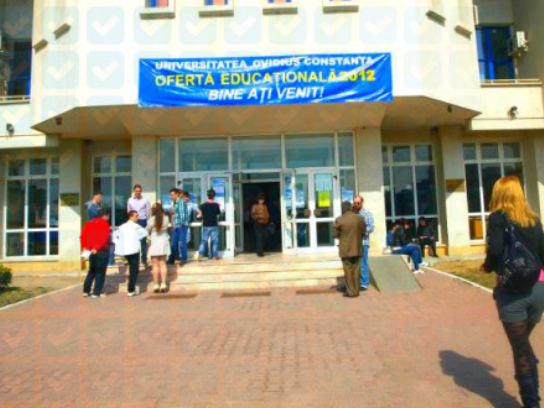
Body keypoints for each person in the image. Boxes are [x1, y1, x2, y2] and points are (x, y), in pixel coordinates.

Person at [480, 176, 544, 408]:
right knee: (523, 345)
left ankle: (532, 403)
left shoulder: (498, 218)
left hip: (512, 291)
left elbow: (495, 251)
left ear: (499, 194)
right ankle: (529, 386)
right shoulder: (533, 219)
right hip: (539, 288)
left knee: (521, 350)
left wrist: (487, 266)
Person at [333, 201, 366, 298]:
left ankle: (350, 292)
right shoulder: (360, 218)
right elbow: (364, 231)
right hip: (357, 248)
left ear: (343, 209)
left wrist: (342, 236)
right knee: (356, 270)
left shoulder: (339, 220)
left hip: (345, 249)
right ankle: (356, 291)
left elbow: (334, 234)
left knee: (348, 270)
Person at [113, 211, 148, 297]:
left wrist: (119, 244)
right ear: (131, 216)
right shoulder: (135, 226)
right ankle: (131, 289)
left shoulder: (122, 227)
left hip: (126, 250)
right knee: (134, 269)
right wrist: (137, 238)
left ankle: (131, 287)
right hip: (133, 250)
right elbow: (145, 233)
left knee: (134, 269)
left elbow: (114, 236)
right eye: (136, 216)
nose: (138, 217)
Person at [80, 209, 111, 298]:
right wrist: (96, 247)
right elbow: (104, 237)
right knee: (100, 271)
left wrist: (85, 246)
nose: (108, 218)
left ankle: (86, 291)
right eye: (108, 216)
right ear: (105, 215)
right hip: (101, 250)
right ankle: (96, 292)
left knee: (92, 270)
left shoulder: (89, 223)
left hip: (90, 250)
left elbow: (83, 236)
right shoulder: (104, 224)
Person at [147, 203, 171, 293]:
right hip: (164, 241)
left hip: (155, 242)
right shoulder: (166, 218)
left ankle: (156, 284)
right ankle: (164, 284)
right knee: (163, 263)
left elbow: (147, 229)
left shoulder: (151, 219)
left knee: (155, 265)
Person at [353, 196, 374, 291]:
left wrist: (362, 232)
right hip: (353, 242)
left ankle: (364, 283)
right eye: (355, 203)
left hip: (363, 242)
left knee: (362, 262)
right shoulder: (353, 214)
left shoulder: (367, 213)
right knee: (355, 263)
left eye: (358, 203)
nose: (356, 205)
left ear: (362, 203)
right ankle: (356, 282)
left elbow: (371, 227)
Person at [127, 184, 151, 266]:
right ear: (133, 191)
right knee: (133, 241)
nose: (138, 192)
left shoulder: (145, 200)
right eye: (136, 191)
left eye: (139, 191)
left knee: (143, 241)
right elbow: (129, 211)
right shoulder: (130, 200)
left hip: (142, 221)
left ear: (141, 191)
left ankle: (144, 259)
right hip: (133, 221)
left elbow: (148, 212)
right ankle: (133, 260)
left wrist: (147, 222)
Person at [196, 189, 221, 261]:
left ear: (207, 196)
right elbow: (218, 213)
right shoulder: (216, 205)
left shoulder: (202, 205)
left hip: (206, 225)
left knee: (204, 241)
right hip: (214, 225)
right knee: (214, 241)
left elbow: (200, 215)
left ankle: (200, 255)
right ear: (214, 196)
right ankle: (215, 256)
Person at [167, 188, 184, 265]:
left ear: (177, 194)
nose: (171, 196)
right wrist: (172, 223)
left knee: (180, 242)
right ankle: (173, 258)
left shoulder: (181, 202)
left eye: (172, 195)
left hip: (180, 225)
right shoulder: (173, 202)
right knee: (174, 243)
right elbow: (172, 214)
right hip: (175, 225)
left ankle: (182, 258)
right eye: (170, 195)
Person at [251, 193, 270, 257]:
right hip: (258, 223)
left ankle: (260, 250)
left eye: (262, 199)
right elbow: (253, 215)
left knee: (265, 236)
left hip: (265, 223)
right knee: (259, 238)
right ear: (258, 200)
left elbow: (267, 214)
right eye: (260, 199)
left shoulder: (265, 206)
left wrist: (267, 219)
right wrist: (259, 216)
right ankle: (260, 252)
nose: (262, 201)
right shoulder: (255, 206)